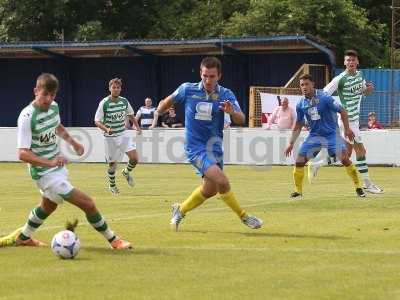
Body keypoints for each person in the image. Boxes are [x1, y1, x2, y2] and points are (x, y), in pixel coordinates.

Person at [0, 73, 131, 249]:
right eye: (45, 94)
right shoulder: (27, 116)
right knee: (88, 203)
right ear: (35, 91)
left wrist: (74, 143)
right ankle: (114, 240)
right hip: (43, 172)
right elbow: (22, 154)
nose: (49, 99)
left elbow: (57, 126)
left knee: (48, 206)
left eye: (52, 95)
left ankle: (23, 237)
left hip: (56, 168)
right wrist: (50, 163)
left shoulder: (54, 107)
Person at [152, 56, 263, 231]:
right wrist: (158, 112)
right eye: (205, 76)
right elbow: (168, 101)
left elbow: (241, 119)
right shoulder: (187, 89)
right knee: (223, 181)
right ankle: (244, 217)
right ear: (200, 74)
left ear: (219, 75)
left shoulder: (226, 94)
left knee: (209, 190)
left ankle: (179, 210)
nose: (207, 80)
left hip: (215, 148)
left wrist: (232, 112)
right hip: (195, 148)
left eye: (212, 76)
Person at [308, 50, 383, 194]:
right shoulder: (340, 79)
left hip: (354, 119)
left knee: (346, 154)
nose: (350, 62)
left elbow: (364, 92)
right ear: (344, 63)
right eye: (348, 60)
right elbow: (323, 94)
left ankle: (316, 164)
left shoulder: (360, 75)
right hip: (347, 120)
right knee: (361, 151)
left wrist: (368, 90)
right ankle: (368, 184)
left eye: (353, 60)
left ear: (357, 62)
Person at [284, 74, 365, 199]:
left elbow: (342, 111)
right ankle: (298, 192)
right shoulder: (301, 104)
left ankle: (358, 187)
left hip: (331, 134)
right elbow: (298, 124)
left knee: (344, 158)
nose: (304, 87)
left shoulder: (325, 97)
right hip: (314, 136)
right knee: (299, 162)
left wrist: (347, 129)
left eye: (306, 84)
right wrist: (291, 143)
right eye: (302, 85)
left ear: (313, 84)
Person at [94, 78, 141, 195]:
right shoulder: (104, 103)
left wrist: (137, 127)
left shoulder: (124, 101)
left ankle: (126, 171)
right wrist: (106, 129)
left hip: (122, 134)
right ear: (110, 88)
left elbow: (131, 115)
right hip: (109, 137)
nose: (116, 89)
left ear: (121, 89)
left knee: (134, 158)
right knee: (112, 165)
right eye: (113, 87)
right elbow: (97, 121)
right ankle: (112, 185)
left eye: (118, 87)